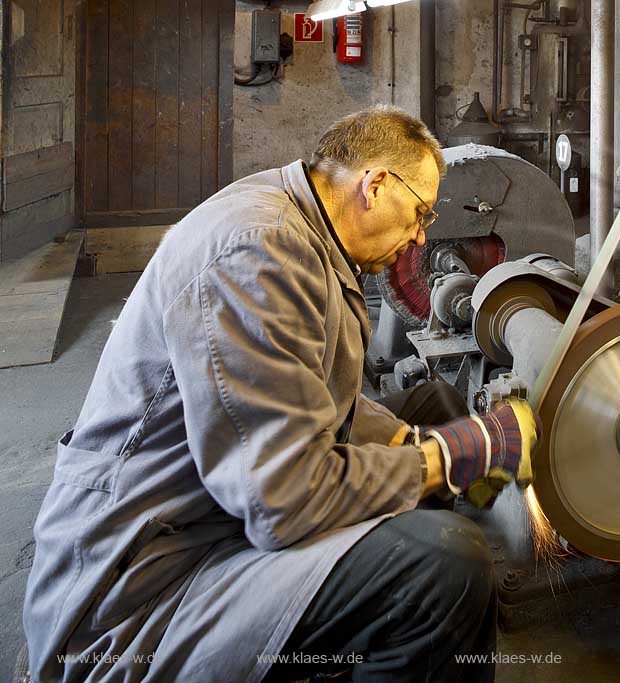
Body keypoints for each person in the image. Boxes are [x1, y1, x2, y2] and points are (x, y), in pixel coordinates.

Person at [23, 106, 537, 683]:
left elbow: (314, 393)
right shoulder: (257, 252)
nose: (421, 234)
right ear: (374, 185)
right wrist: (444, 459)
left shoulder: (301, 223)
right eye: (420, 212)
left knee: (435, 408)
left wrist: (415, 439)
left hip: (211, 515)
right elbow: (284, 502)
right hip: (142, 587)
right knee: (444, 569)